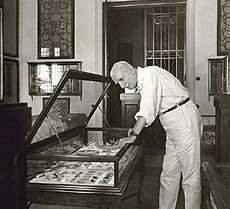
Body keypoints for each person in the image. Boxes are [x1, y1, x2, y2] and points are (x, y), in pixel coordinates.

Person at [110, 61, 203, 209]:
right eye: (118, 83)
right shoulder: (144, 78)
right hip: (172, 123)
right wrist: (134, 128)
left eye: (121, 79)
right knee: (168, 174)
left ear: (130, 71)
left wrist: (134, 134)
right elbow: (147, 109)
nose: (122, 86)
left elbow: (147, 109)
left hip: (183, 119)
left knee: (190, 176)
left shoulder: (149, 74)